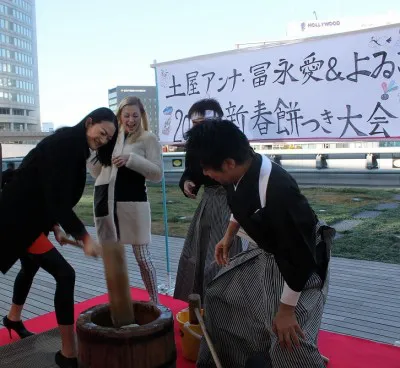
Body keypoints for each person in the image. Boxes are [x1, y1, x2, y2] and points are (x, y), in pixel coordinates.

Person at [184, 120, 335, 368]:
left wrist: (286, 310)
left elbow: (299, 256)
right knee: (219, 295)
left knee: (285, 333)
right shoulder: (243, 168)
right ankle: (233, 359)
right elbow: (241, 202)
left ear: (229, 163)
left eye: (209, 170)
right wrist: (229, 235)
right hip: (268, 252)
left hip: (299, 262)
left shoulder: (279, 191)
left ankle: (303, 358)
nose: (207, 175)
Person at [0, 107, 118, 368]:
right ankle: (68, 353)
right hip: (17, 219)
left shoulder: (74, 146)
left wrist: (56, 228)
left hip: (30, 215)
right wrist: (85, 237)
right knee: (65, 274)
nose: (104, 139)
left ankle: (13, 319)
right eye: (102, 132)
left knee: (29, 266)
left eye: (109, 138)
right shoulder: (67, 145)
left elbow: (46, 188)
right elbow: (54, 198)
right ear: (89, 122)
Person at [88, 96, 162, 304]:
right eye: (126, 115)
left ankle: (156, 302)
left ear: (142, 116)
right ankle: (119, 303)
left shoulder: (148, 138)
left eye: (135, 115)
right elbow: (95, 172)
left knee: (143, 258)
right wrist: (93, 149)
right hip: (106, 203)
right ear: (119, 116)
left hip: (134, 203)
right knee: (113, 258)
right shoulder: (111, 138)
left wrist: (131, 160)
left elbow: (157, 175)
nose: (130, 120)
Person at [174, 98, 244, 304]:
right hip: (208, 200)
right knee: (197, 253)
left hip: (230, 200)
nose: (199, 128)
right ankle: (198, 302)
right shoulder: (195, 143)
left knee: (223, 254)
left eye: (203, 122)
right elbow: (190, 172)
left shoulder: (230, 139)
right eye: (195, 124)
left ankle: (223, 305)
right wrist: (187, 182)